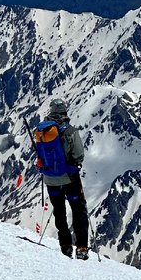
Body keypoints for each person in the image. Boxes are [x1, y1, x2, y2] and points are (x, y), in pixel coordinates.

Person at [32, 98, 90, 260]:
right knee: (78, 210)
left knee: (59, 212)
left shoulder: (43, 131)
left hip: (50, 179)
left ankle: (65, 246)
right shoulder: (70, 131)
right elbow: (79, 155)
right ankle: (82, 247)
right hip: (70, 179)